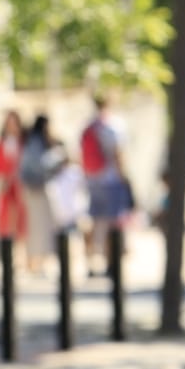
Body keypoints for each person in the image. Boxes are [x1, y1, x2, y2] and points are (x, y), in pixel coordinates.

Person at [79, 94, 130, 277]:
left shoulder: (87, 127)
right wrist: (125, 178)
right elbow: (118, 155)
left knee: (93, 222)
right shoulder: (113, 126)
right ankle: (110, 261)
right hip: (110, 181)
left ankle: (90, 262)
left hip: (92, 180)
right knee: (111, 223)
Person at [17, 114, 60, 274]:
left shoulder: (33, 141)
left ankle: (37, 261)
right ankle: (36, 262)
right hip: (35, 189)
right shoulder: (36, 142)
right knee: (38, 227)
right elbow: (40, 165)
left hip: (34, 188)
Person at [0, 110, 26, 251]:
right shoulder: (2, 143)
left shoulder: (23, 143)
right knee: (6, 223)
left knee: (21, 223)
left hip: (20, 189)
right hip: (6, 189)